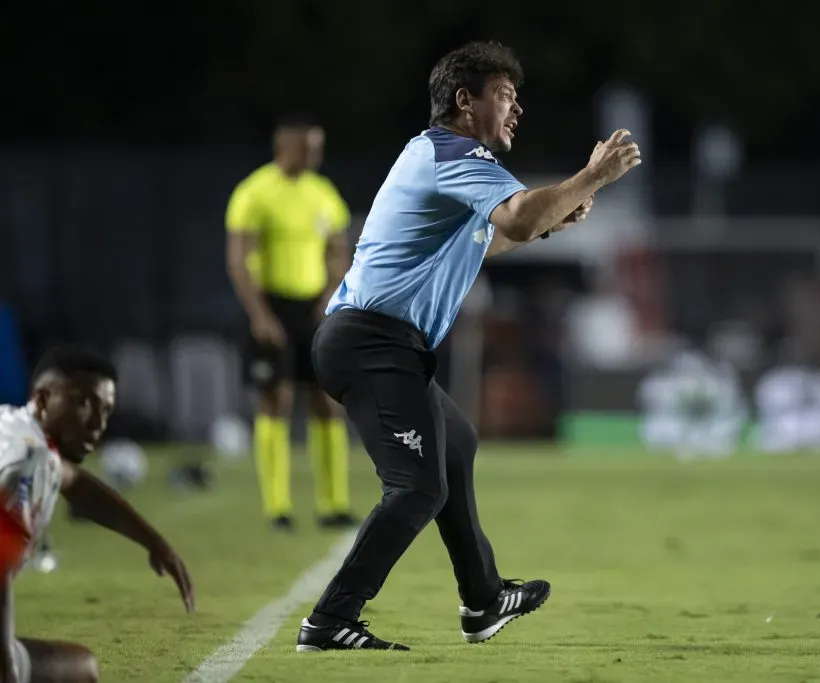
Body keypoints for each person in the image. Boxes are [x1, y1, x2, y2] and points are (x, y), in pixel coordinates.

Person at [295, 40, 641, 652]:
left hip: (377, 341)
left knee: (456, 442)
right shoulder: (455, 152)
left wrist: (549, 219)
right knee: (417, 489)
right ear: (464, 100)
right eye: (505, 95)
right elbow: (515, 219)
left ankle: (482, 600)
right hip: (372, 341)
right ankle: (329, 621)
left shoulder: (439, 158)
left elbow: (492, 238)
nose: (517, 110)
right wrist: (592, 176)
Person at [0, 346, 194, 683]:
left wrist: (153, 542)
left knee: (79, 666)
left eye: (106, 410)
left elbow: (78, 486)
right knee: (77, 672)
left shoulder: (21, 433)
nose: (97, 422)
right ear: (43, 398)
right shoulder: (26, 462)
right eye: (83, 402)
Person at [225, 115, 359, 531]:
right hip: (273, 306)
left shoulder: (323, 193)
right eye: (308, 148)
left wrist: (329, 295)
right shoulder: (255, 192)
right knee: (276, 400)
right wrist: (259, 315)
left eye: (318, 148)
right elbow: (238, 260)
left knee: (327, 401)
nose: (315, 155)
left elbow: (339, 248)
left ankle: (333, 504)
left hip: (314, 308)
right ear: (284, 147)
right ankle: (277, 507)